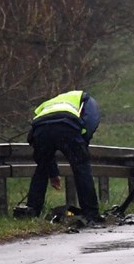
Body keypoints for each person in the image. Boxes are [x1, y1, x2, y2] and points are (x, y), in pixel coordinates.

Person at [14, 90, 103, 225]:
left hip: (40, 131)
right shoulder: (87, 99)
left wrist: (53, 173)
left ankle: (31, 213)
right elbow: (91, 121)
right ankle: (91, 214)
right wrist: (82, 143)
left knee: (41, 170)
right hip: (67, 127)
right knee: (81, 168)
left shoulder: (48, 104)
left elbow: (40, 131)